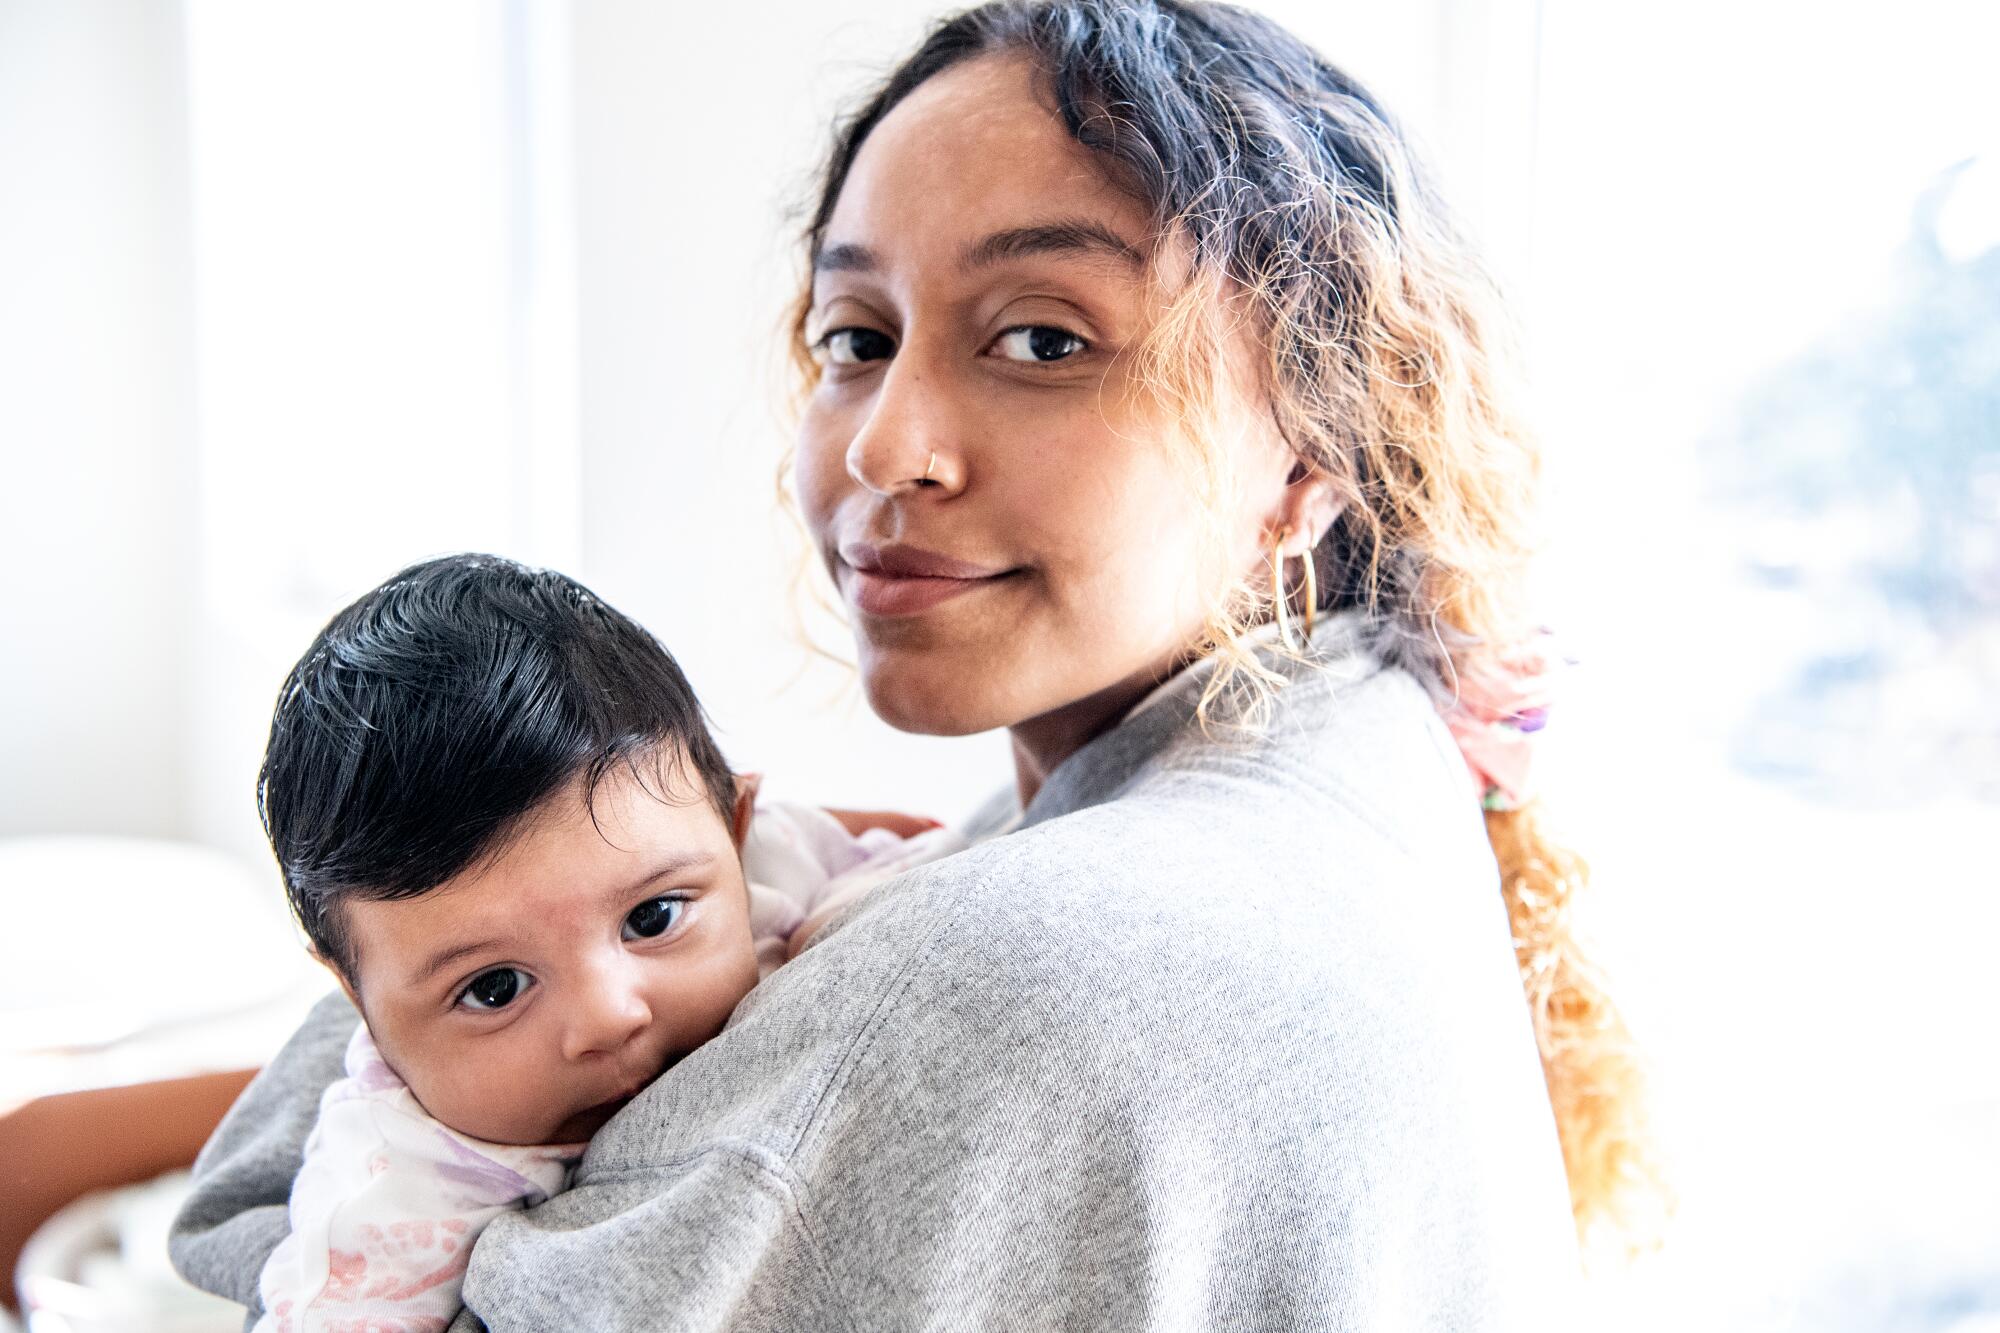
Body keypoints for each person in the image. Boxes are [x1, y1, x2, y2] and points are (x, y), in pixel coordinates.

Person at [173, 2, 1665, 1326]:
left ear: (1308, 456)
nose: (885, 442)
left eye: (1040, 341)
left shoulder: (999, 972)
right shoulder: (1356, 753)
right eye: (855, 333)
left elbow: (326, 1249)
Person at [239, 554, 960, 1331]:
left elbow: (919, 864)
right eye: (494, 987)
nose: (609, 1016)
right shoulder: (398, 1192)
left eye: (651, 919)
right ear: (359, 1002)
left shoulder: (771, 863)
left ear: (735, 833)